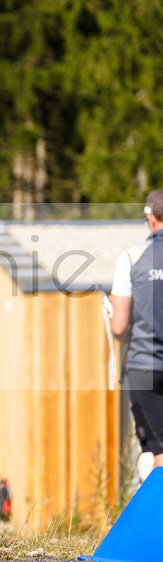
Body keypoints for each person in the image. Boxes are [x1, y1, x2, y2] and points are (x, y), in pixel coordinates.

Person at [111, 189, 163, 473]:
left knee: (161, 458)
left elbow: (119, 327)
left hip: (146, 367)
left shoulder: (132, 258)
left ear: (150, 218)